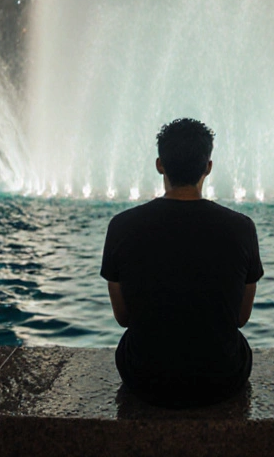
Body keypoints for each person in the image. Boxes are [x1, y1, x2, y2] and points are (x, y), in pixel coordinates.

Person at [100, 118, 263, 408]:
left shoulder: (122, 226)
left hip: (143, 377)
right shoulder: (241, 228)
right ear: (208, 167)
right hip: (222, 377)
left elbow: (123, 317)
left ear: (160, 164)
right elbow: (240, 318)